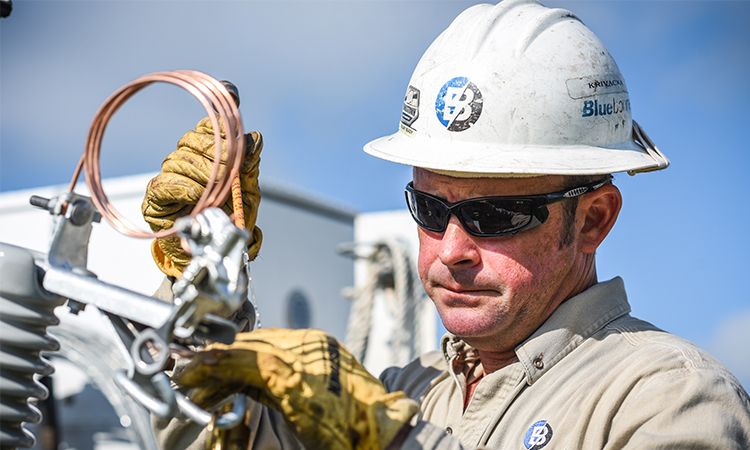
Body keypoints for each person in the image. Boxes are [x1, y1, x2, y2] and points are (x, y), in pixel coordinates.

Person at [157, 1, 750, 449]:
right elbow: (214, 430)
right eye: (432, 211)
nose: (452, 250)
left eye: (496, 216)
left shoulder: (669, 398)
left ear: (593, 219)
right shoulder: (404, 392)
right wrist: (199, 286)